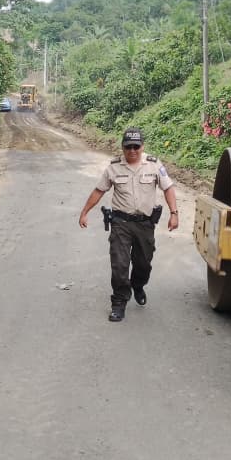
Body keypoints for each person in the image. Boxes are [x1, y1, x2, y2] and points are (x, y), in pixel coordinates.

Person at [78, 127, 179, 322]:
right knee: (119, 264)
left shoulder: (154, 164)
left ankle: (138, 285)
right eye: (128, 147)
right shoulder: (114, 167)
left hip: (145, 224)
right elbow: (99, 190)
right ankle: (119, 302)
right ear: (122, 147)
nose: (132, 150)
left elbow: (168, 188)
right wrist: (85, 212)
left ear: (142, 146)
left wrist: (174, 213)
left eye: (136, 146)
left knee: (143, 264)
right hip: (121, 223)